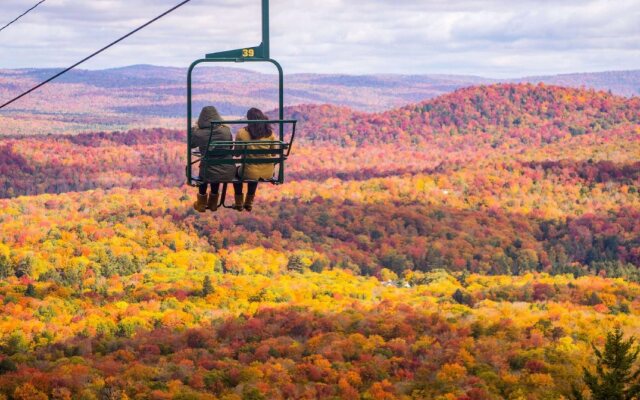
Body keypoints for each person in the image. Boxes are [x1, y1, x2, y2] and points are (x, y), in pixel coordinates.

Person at [191, 106, 236, 212]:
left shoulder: (199, 133)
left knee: (206, 173)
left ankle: (201, 204)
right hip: (228, 170)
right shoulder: (226, 131)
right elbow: (230, 147)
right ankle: (213, 203)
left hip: (208, 171)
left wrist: (193, 130)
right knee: (216, 169)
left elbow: (191, 144)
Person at [233, 108, 277, 212]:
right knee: (255, 171)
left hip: (249, 171)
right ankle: (249, 203)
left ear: (248, 119)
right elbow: (274, 153)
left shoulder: (241, 133)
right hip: (268, 172)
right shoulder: (269, 133)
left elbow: (237, 154)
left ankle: (239, 203)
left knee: (237, 172)